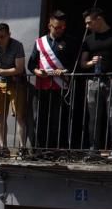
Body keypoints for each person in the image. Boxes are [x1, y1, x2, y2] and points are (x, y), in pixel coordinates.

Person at [28, 10, 79, 152]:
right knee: (41, 118)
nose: (60, 30)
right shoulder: (40, 42)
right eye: (57, 27)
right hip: (42, 86)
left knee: (59, 119)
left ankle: (58, 150)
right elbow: (31, 64)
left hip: (61, 86)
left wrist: (64, 71)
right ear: (49, 25)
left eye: (63, 27)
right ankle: (40, 149)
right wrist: (38, 71)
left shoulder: (70, 42)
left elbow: (75, 64)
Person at [79, 7, 112, 160]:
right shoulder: (88, 39)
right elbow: (82, 63)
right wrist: (91, 62)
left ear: (99, 19)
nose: (87, 26)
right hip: (94, 80)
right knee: (93, 117)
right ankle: (93, 149)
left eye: (89, 22)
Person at [0, 22, 27, 152]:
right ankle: (3, 148)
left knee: (20, 116)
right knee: (0, 117)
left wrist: (0, 71)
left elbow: (19, 69)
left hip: (17, 83)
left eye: (2, 37)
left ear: (9, 34)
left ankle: (23, 148)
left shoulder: (17, 46)